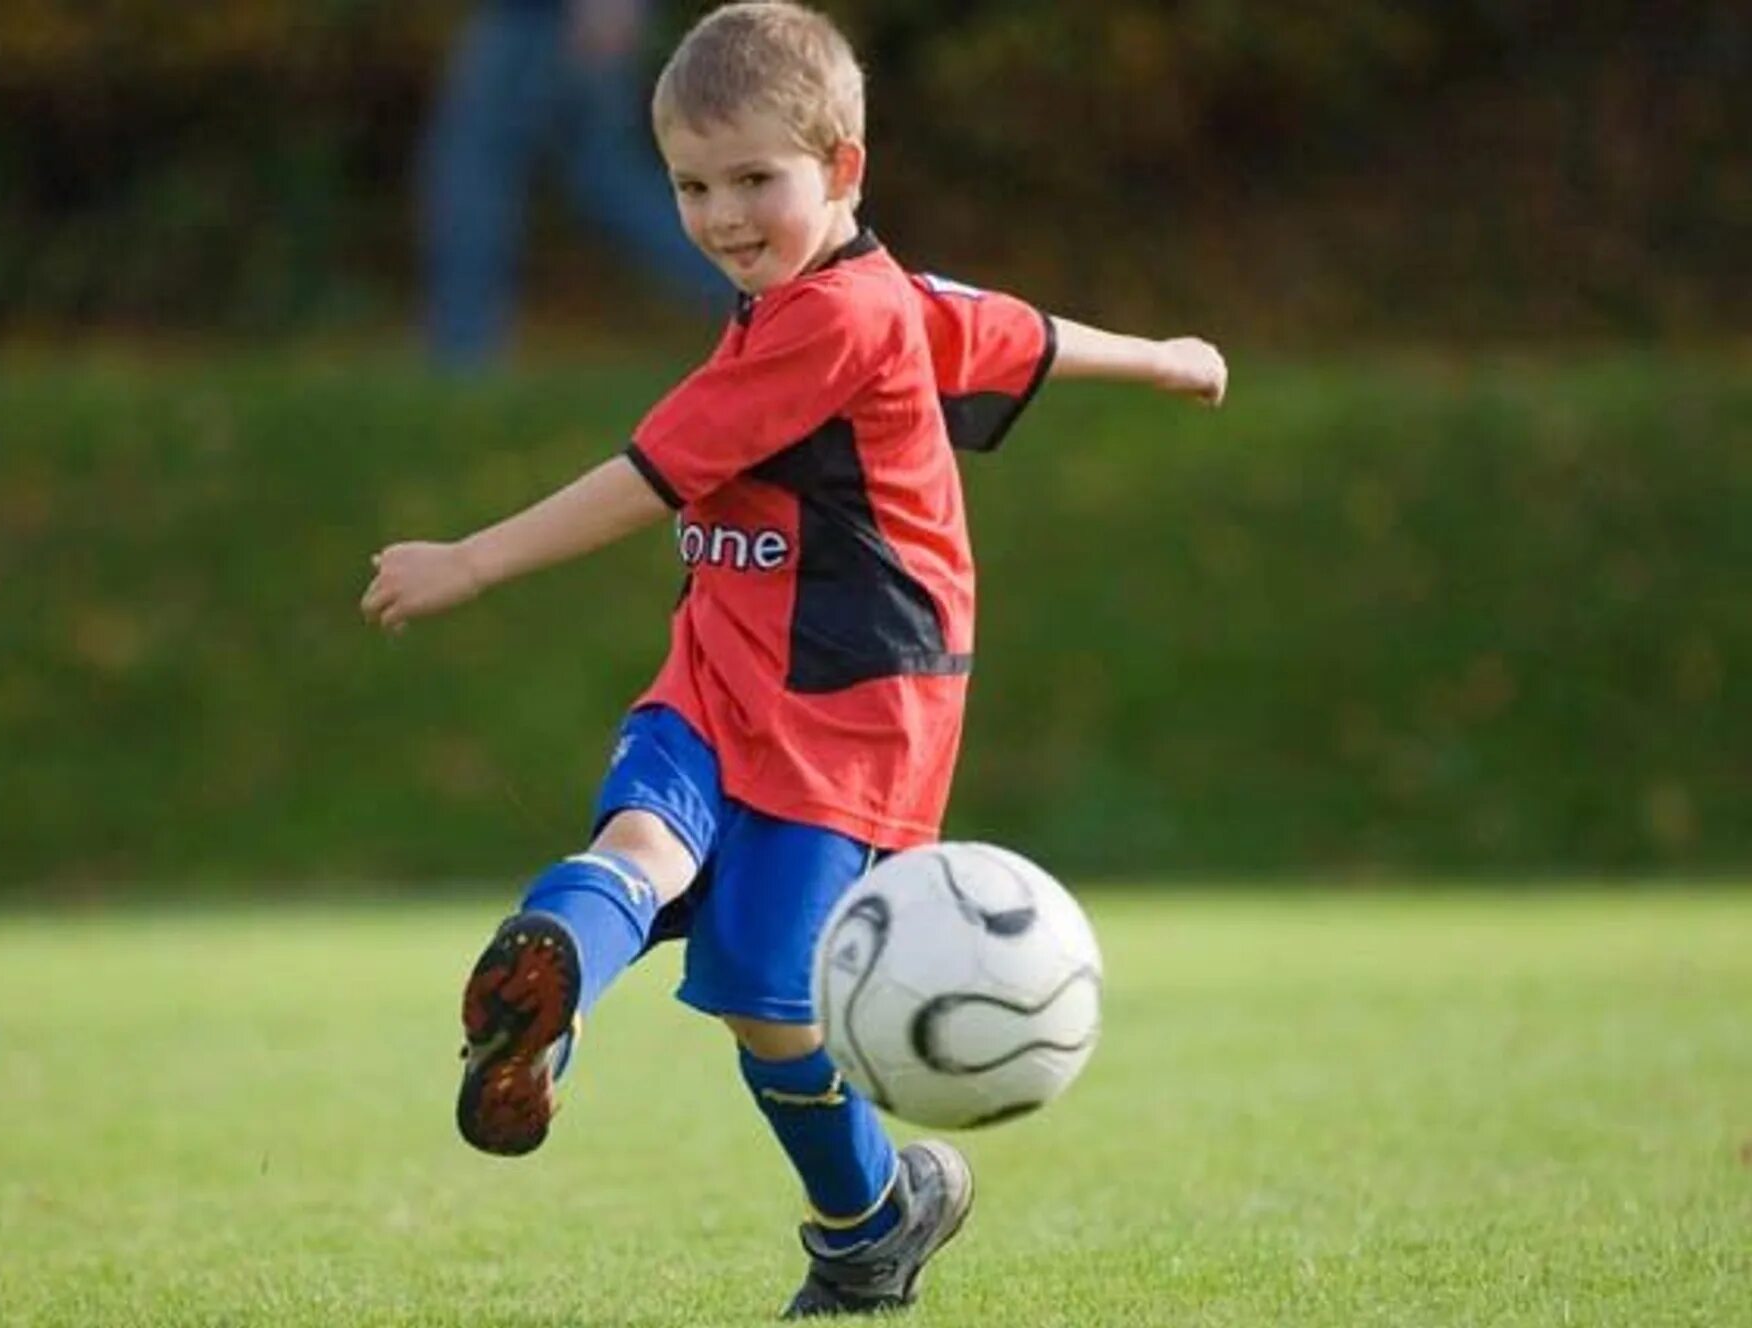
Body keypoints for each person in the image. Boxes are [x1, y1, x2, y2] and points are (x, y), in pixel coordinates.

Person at [364, 2, 1227, 1315]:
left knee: (773, 1000)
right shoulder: (832, 293)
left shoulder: (837, 324)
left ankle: (873, 1219)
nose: (720, 216)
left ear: (844, 169)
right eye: (693, 186)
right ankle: (546, 1005)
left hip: (852, 707)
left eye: (753, 180)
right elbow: (1017, 329)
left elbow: (650, 476)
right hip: (718, 670)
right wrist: (1160, 358)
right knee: (635, 850)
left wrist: (471, 560)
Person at [423, 0, 729, 368]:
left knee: (476, 173)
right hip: (547, 20)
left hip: (542, 21)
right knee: (608, 183)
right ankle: (758, 294)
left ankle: (463, 348)